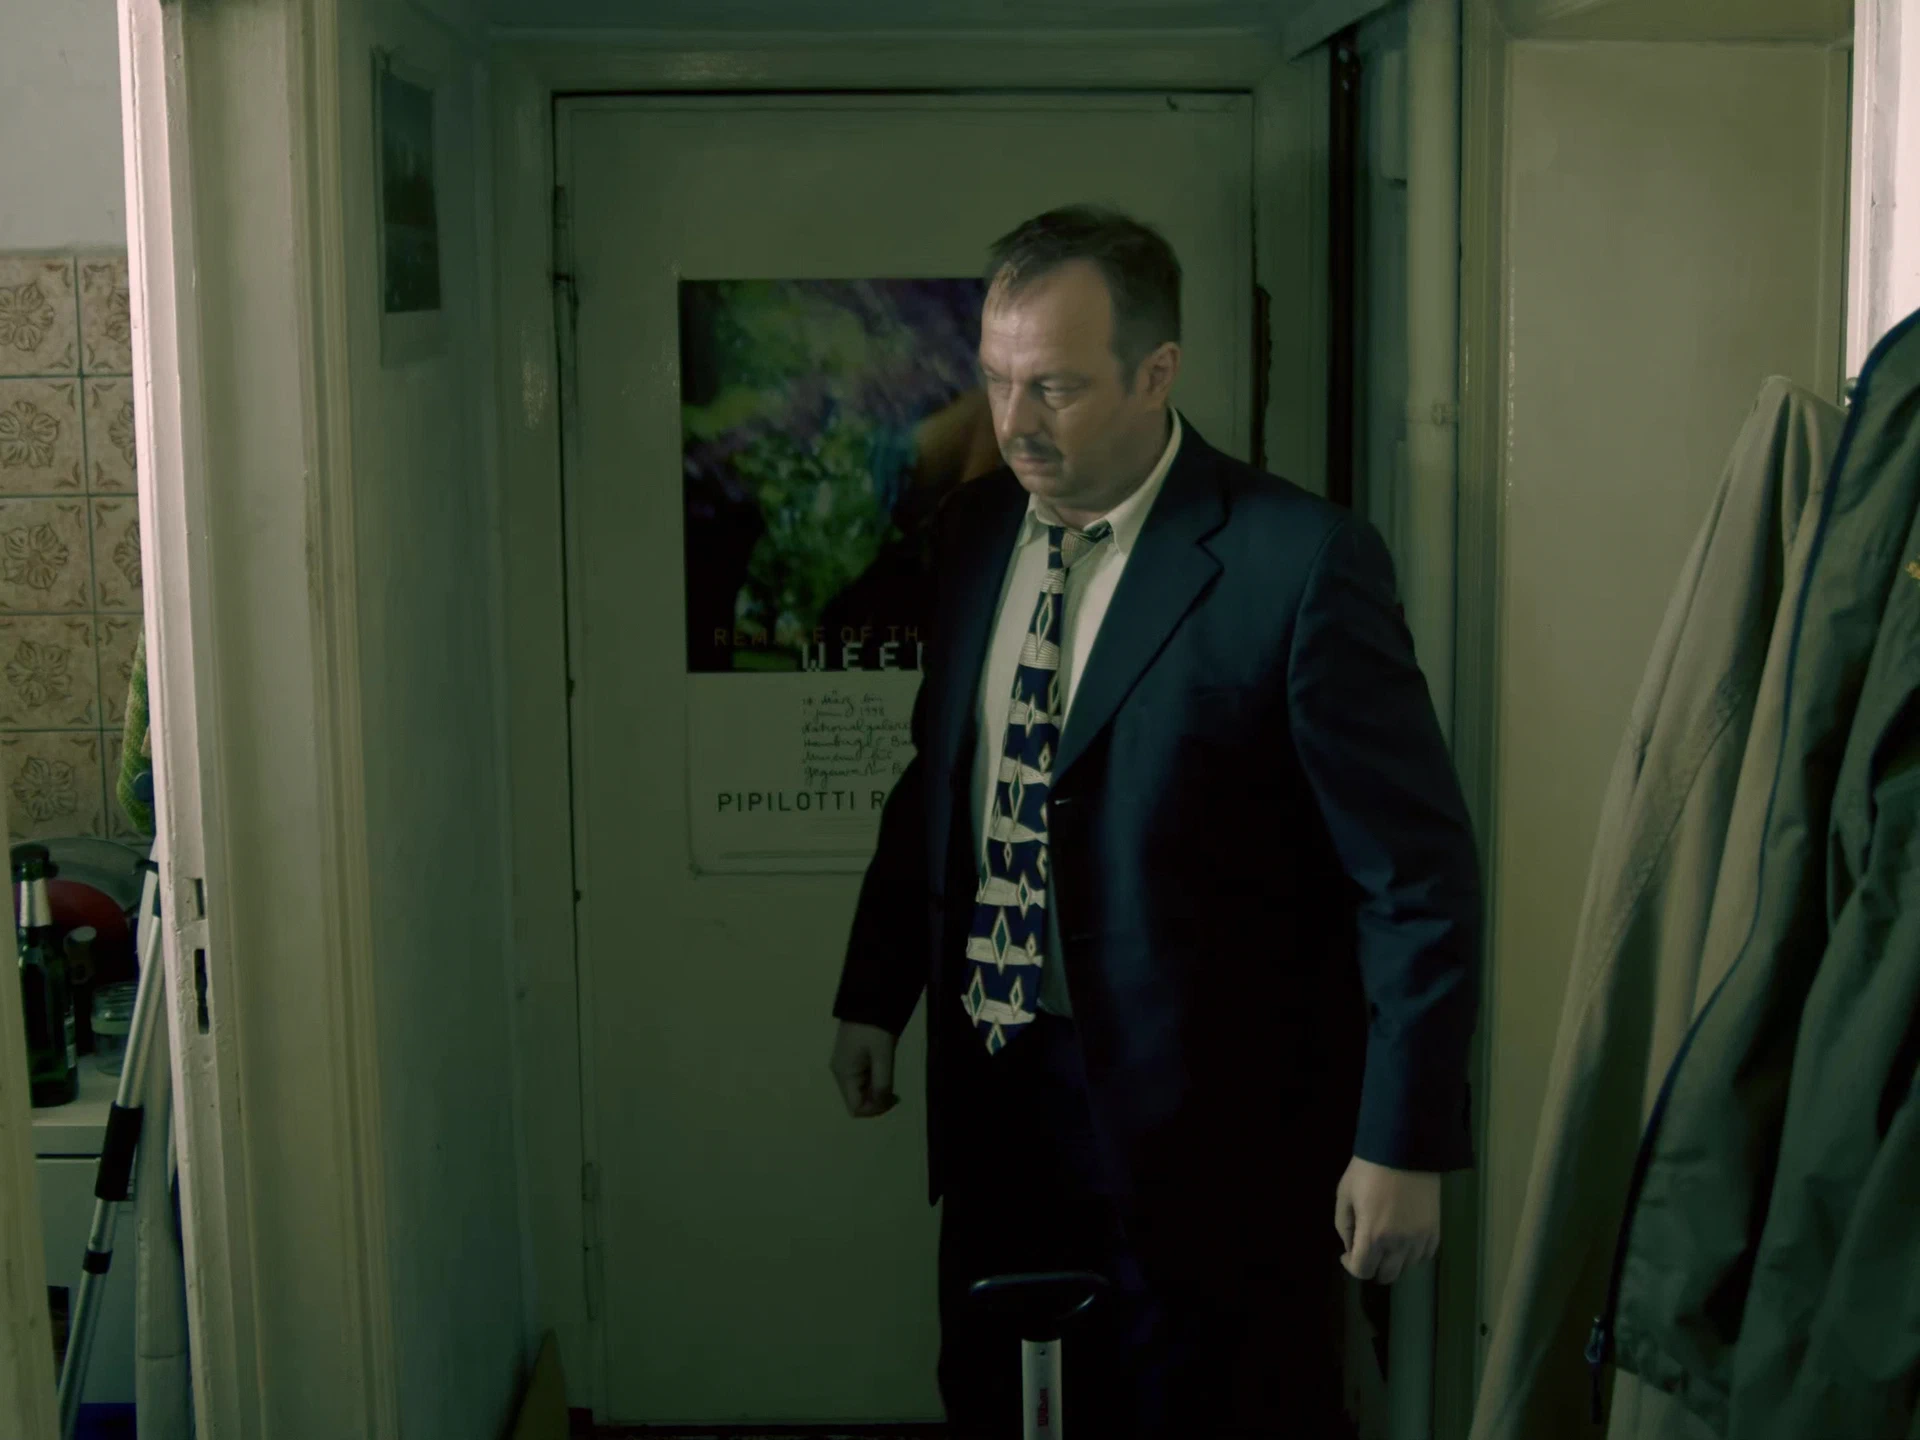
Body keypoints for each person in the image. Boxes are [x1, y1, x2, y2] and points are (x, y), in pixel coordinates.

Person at [828, 205, 1481, 1438]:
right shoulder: (973, 536)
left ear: (1156, 372)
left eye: (1057, 387)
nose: (1015, 423)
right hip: (1000, 1084)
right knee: (1001, 1403)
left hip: (1217, 1126)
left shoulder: (1298, 563)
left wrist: (1404, 1139)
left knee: (1204, 1412)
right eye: (996, 381)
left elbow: (1415, 878)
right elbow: (944, 779)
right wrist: (877, 992)